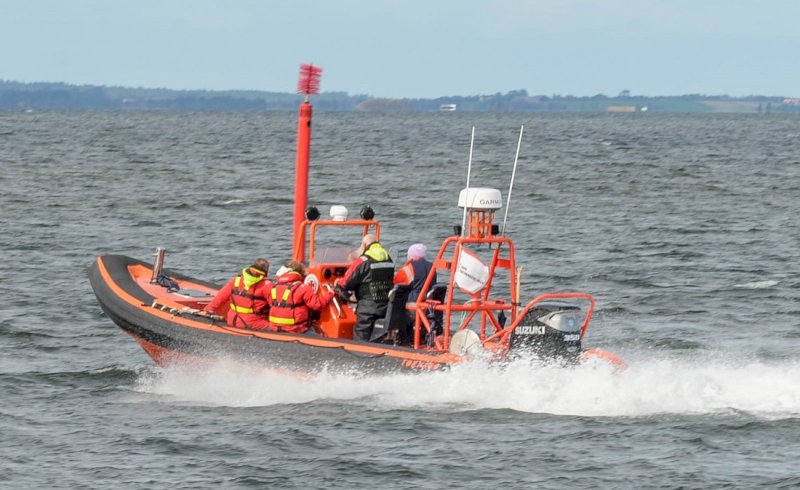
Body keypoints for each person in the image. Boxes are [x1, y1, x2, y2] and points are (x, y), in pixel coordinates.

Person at [335, 234, 394, 341]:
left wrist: (337, 284)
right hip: (386, 305)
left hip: (367, 308)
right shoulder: (388, 259)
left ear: (365, 245)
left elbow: (345, 282)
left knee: (361, 337)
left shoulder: (362, 261)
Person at [203, 259, 272, 330]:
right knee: (273, 328)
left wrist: (208, 309)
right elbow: (276, 307)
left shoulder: (237, 279)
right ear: (266, 270)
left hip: (232, 320)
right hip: (252, 323)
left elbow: (221, 296)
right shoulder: (267, 285)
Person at [268, 260, 334, 334]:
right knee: (320, 335)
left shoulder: (274, 287)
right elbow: (317, 305)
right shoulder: (303, 288)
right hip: (295, 329)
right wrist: (330, 294)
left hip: (274, 328)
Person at [393, 243, 437, 344]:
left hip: (414, 306)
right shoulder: (432, 267)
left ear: (410, 256)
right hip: (429, 306)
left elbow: (395, 282)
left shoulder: (409, 268)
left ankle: (400, 337)